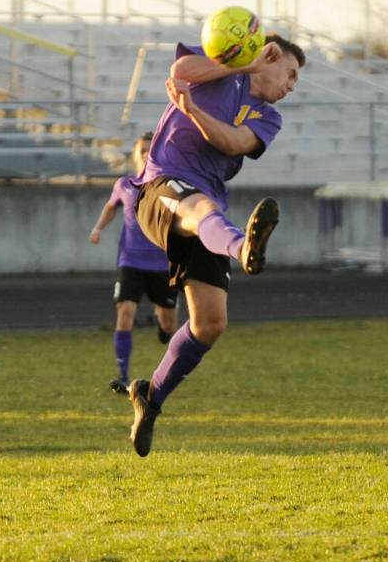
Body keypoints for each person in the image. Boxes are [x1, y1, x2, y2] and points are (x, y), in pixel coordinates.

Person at [127, 33, 305, 457]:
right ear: (270, 57)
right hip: (162, 185)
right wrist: (242, 64)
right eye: (291, 72)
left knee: (210, 324)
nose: (293, 84)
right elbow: (180, 72)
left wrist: (193, 112)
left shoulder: (268, 117)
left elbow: (234, 143)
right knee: (199, 206)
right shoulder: (223, 71)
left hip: (208, 213)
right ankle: (244, 247)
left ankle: (149, 396)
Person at [89, 133, 177, 394]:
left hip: (162, 265)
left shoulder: (167, 185)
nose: (145, 154)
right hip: (130, 262)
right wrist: (98, 228)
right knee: (125, 314)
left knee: (169, 324)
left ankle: (163, 329)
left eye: (150, 150)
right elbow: (111, 207)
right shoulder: (125, 184)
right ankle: (123, 376)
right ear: (135, 154)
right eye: (141, 150)